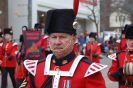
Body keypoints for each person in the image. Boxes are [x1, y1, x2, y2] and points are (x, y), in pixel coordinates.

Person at [20, 0, 107, 88]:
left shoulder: (88, 71)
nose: (57, 42)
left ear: (73, 39)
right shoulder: (36, 68)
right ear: (49, 39)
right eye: (54, 37)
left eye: (62, 37)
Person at [108, 24, 133, 88]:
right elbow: (110, 75)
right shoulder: (119, 55)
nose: (132, 42)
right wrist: (119, 72)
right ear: (126, 40)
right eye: (130, 40)